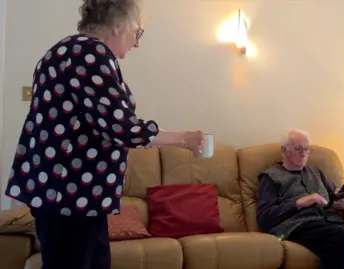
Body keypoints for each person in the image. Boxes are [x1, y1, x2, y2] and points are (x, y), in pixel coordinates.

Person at [4, 0, 206, 268]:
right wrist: (184, 138)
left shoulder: (64, 50)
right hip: (72, 195)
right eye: (138, 32)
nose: (137, 43)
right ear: (120, 26)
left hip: (69, 194)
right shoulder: (90, 55)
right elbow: (122, 128)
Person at [256, 129, 344, 269]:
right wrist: (298, 203)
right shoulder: (271, 176)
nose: (303, 154)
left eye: (307, 149)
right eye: (298, 149)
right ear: (284, 150)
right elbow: (264, 218)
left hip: (328, 222)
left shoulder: (315, 171)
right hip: (297, 226)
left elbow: (337, 193)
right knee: (342, 237)